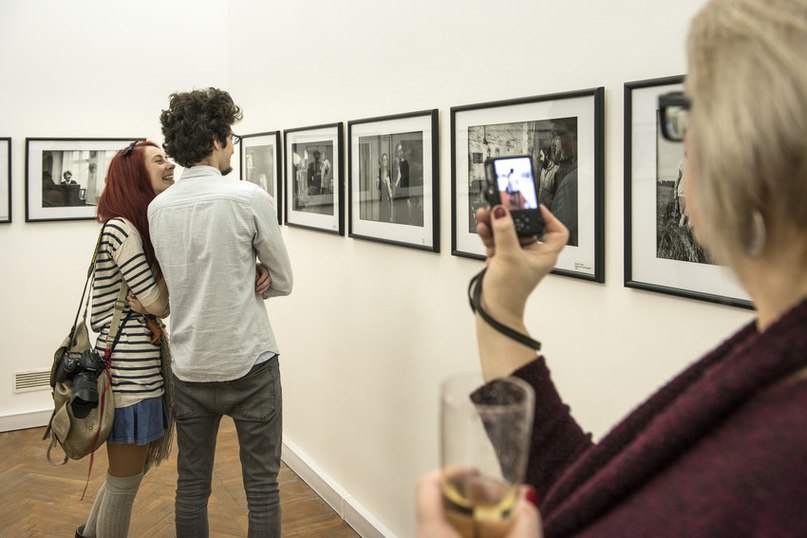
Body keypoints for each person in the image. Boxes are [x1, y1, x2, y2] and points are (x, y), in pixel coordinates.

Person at [417, 0, 807, 535]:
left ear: (747, 157)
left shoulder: (783, 456)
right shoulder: (775, 352)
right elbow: (586, 492)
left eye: (691, 115)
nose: (685, 140)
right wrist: (500, 303)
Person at [150, 87, 293, 537]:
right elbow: (284, 281)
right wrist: (256, 274)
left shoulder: (158, 209)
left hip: (191, 369)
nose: (232, 144)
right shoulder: (249, 198)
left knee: (191, 487)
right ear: (215, 139)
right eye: (229, 135)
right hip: (249, 364)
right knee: (262, 490)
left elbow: (177, 283)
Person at [75, 139, 175, 538]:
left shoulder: (129, 226)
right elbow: (156, 301)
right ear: (136, 174)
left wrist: (151, 300)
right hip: (129, 378)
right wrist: (158, 294)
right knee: (124, 483)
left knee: (122, 479)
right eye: (159, 160)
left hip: (134, 374)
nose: (169, 165)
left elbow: (149, 302)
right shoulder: (123, 229)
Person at [674, 154, 688, 227]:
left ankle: (679, 233)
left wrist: (675, 192)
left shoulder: (681, 163)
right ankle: (684, 235)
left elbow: (677, 179)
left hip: (681, 192)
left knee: (683, 216)